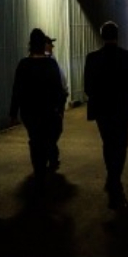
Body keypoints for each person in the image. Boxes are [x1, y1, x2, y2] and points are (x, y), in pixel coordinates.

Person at [84, 21, 128, 210]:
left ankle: (113, 178)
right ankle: (114, 181)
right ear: (117, 35)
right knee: (121, 144)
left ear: (102, 35)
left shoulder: (92, 59)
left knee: (108, 143)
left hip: (102, 109)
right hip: (122, 109)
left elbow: (88, 88)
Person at [9, 29, 66, 190]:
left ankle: (38, 171)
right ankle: (45, 165)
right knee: (48, 139)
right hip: (48, 110)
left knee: (35, 140)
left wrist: (13, 113)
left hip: (30, 111)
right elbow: (58, 89)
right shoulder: (51, 63)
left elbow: (17, 90)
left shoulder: (23, 64)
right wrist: (60, 108)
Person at [45, 35, 69, 171]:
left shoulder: (50, 58)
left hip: (58, 98)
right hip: (55, 101)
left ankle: (51, 155)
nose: (52, 47)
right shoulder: (48, 59)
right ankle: (52, 156)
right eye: (49, 44)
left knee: (54, 130)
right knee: (54, 129)